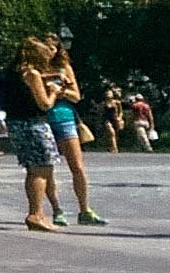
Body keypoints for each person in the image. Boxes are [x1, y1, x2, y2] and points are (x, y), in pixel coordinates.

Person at [4, 37, 64, 232]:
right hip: (34, 125)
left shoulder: (15, 73)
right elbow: (44, 104)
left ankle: (37, 213)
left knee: (33, 168)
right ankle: (36, 214)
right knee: (41, 169)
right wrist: (54, 91)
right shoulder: (32, 74)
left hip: (17, 124)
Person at [48, 39, 105, 224]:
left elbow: (76, 96)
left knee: (78, 167)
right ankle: (57, 209)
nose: (50, 50)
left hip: (65, 117)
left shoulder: (64, 68)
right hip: (42, 118)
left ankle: (84, 209)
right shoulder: (33, 69)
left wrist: (60, 91)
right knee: (47, 168)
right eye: (46, 47)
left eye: (53, 47)